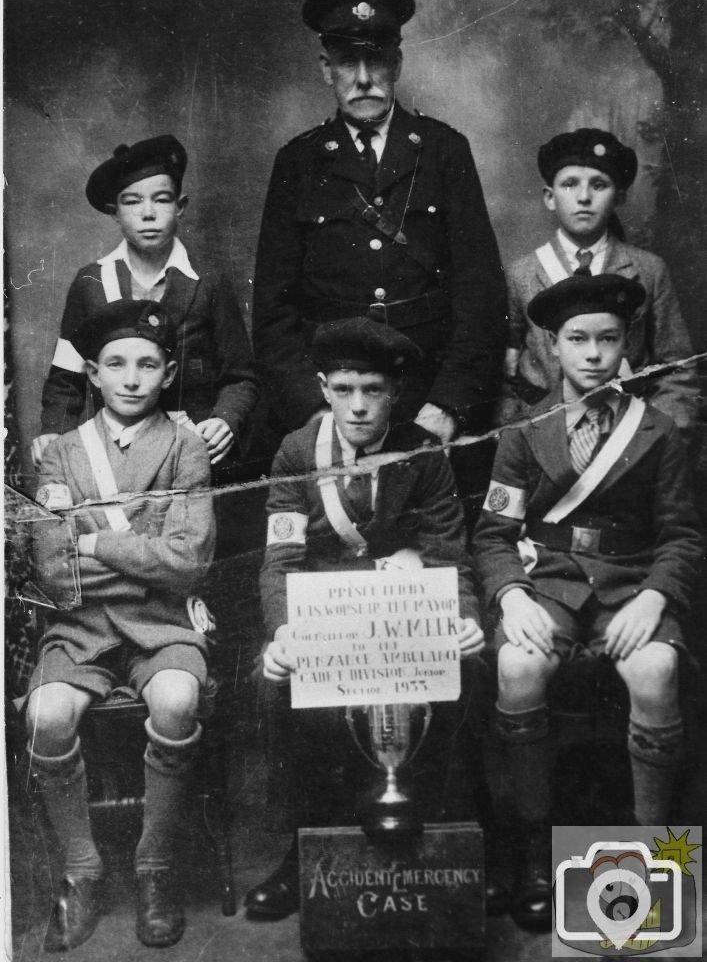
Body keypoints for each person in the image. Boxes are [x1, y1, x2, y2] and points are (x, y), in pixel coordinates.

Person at [473, 274, 703, 931]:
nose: (594, 353)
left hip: (630, 584)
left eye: (607, 338)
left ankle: (650, 851)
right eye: (577, 339)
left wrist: (656, 597)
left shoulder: (656, 431)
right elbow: (492, 535)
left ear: (626, 341)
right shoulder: (522, 431)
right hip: (546, 583)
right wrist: (512, 595)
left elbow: (681, 537)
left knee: (654, 670)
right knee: (517, 667)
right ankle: (533, 844)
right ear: (552, 346)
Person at [244, 316, 486, 920]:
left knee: (473, 666)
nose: (357, 407)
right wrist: (284, 632)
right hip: (324, 612)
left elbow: (449, 554)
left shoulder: (423, 453)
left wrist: (462, 617)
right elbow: (280, 561)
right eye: (344, 389)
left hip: (406, 606)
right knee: (273, 682)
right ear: (323, 388)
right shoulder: (297, 452)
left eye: (372, 390)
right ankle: (300, 844)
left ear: (395, 394)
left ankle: (456, 840)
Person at [25, 300, 216, 950]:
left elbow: (189, 560)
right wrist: (144, 550)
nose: (131, 378)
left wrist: (97, 545)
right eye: (115, 364)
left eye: (147, 364)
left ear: (167, 372)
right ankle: (82, 872)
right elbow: (52, 569)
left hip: (161, 625)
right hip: (79, 628)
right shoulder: (63, 455)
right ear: (94, 376)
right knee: (46, 715)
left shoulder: (186, 447)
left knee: (177, 698)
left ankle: (155, 867)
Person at [252, 0, 506, 442]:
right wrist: (311, 411)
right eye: (349, 63)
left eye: (377, 61)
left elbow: (481, 293)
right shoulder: (298, 162)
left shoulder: (444, 150)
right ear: (326, 69)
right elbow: (273, 309)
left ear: (398, 64)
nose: (364, 78)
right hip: (332, 397)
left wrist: (449, 403)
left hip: (426, 393)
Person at [32, 134, 258, 480]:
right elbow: (66, 379)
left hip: (193, 449)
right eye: (133, 202)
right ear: (115, 213)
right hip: (115, 455)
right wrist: (54, 429)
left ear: (180, 206)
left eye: (162, 200)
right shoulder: (91, 283)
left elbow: (240, 377)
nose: (148, 213)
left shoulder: (207, 281)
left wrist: (225, 420)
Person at [500, 128, 697, 433]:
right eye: (569, 185)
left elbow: (678, 368)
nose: (583, 197)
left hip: (626, 429)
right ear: (550, 198)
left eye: (599, 185)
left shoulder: (649, 270)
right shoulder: (522, 273)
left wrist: (656, 433)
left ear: (619, 197)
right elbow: (502, 372)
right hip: (542, 431)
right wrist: (516, 431)